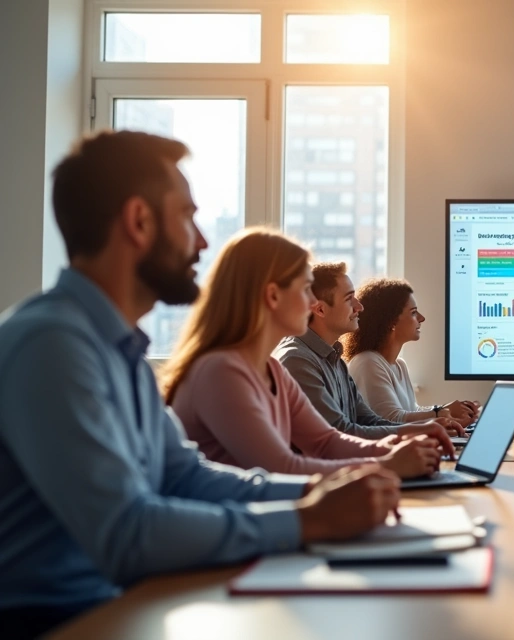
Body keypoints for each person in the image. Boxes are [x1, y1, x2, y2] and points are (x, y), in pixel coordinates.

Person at [0, 131, 399, 639]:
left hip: (125, 606)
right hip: (60, 623)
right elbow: (128, 534)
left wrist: (324, 491)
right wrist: (307, 521)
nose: (203, 240)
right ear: (139, 222)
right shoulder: (50, 345)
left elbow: (186, 477)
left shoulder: (116, 350)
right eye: (187, 216)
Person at [162, 229, 453, 477]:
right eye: (305, 289)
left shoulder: (272, 369)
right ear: (273, 296)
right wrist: (386, 462)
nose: (313, 301)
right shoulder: (223, 371)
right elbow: (280, 467)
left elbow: (327, 441)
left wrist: (411, 437)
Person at [272, 262, 466, 438]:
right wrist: (421, 430)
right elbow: (340, 432)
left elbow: (369, 421)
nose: (360, 307)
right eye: (349, 299)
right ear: (320, 310)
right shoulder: (297, 361)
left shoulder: (335, 360)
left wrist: (427, 428)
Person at [343, 278, 481, 426]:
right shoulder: (367, 362)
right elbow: (391, 419)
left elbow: (412, 411)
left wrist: (451, 416)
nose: (421, 318)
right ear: (391, 321)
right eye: (414, 313)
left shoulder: (399, 364)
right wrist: (440, 412)